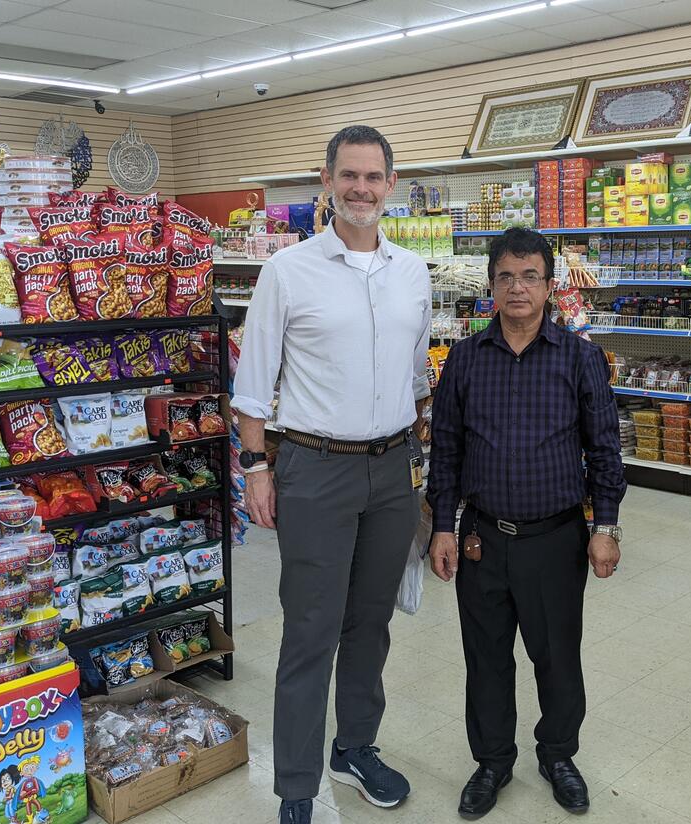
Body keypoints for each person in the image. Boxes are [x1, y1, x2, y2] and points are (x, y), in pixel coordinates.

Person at [233, 125, 431, 824]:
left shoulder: (413, 272)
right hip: (315, 468)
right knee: (310, 629)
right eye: (349, 175)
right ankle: (296, 785)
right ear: (327, 181)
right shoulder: (289, 271)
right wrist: (257, 469)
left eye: (374, 177)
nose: (361, 189)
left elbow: (415, 378)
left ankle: (354, 748)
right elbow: (253, 387)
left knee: (370, 625)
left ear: (392, 187)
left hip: (393, 470)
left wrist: (421, 462)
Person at [427, 227, 626, 818]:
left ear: (548, 284)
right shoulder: (464, 360)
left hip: (557, 538)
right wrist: (443, 524)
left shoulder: (581, 357)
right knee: (485, 656)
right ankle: (492, 761)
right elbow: (446, 450)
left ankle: (558, 753)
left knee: (557, 655)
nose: (518, 287)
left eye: (530, 276)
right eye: (507, 276)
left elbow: (605, 448)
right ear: (491, 285)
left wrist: (605, 526)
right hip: (482, 538)